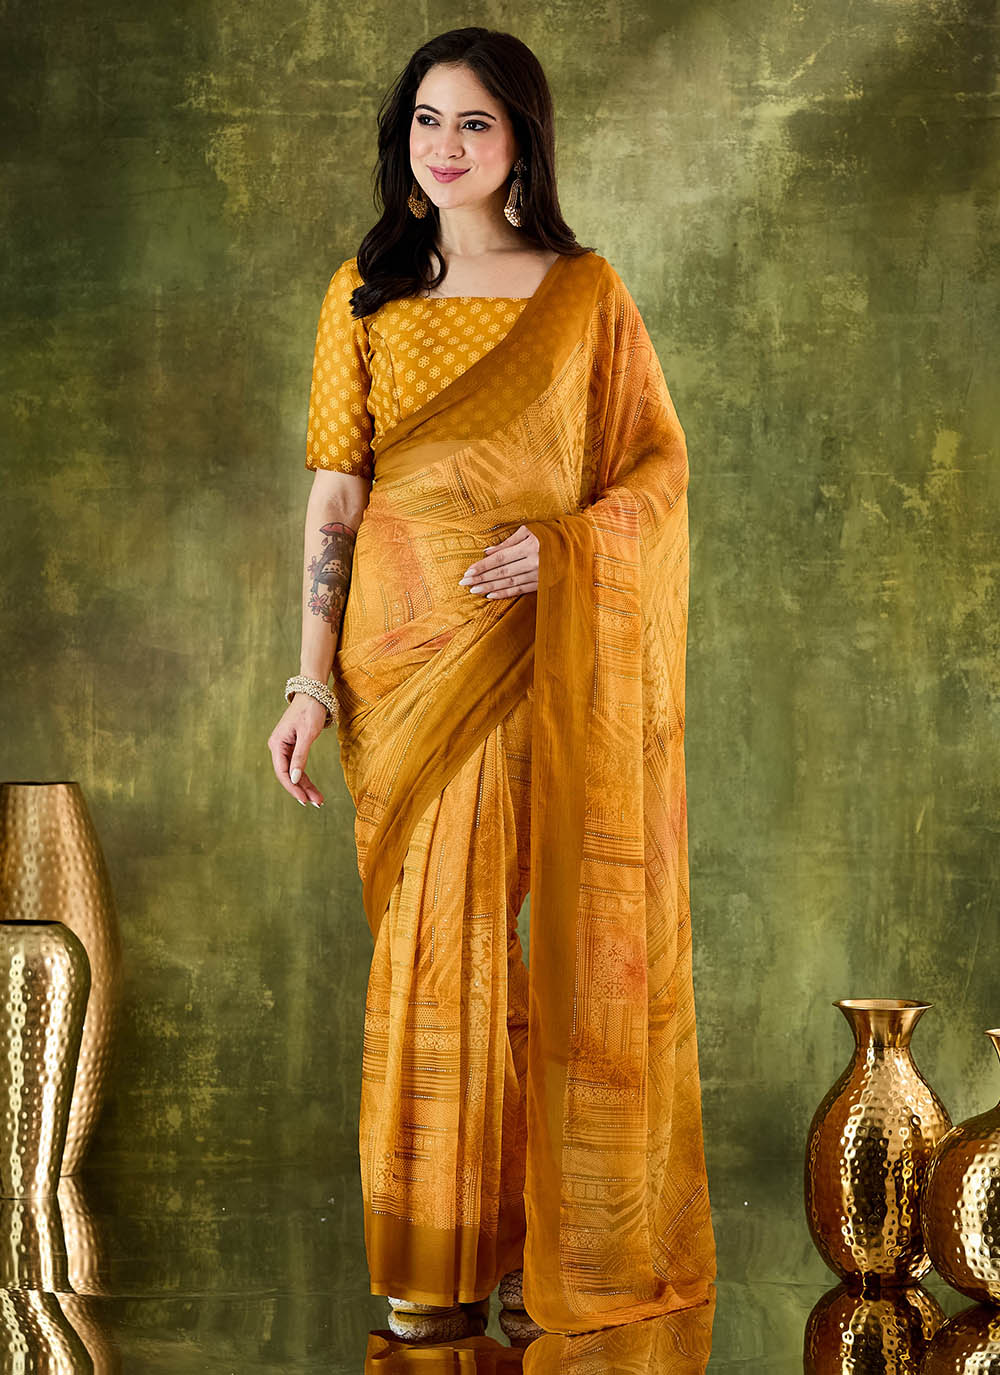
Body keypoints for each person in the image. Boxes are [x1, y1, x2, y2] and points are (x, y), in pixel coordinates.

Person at [266, 26, 717, 1337]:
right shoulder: (365, 292)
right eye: (427, 120)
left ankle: (536, 1241)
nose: (446, 146)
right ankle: (441, 1251)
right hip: (395, 663)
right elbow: (336, 498)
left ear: (522, 139)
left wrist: (566, 548)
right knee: (430, 942)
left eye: (475, 122)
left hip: (532, 652)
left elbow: (657, 469)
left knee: (517, 942)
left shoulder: (583, 295)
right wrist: (309, 684)